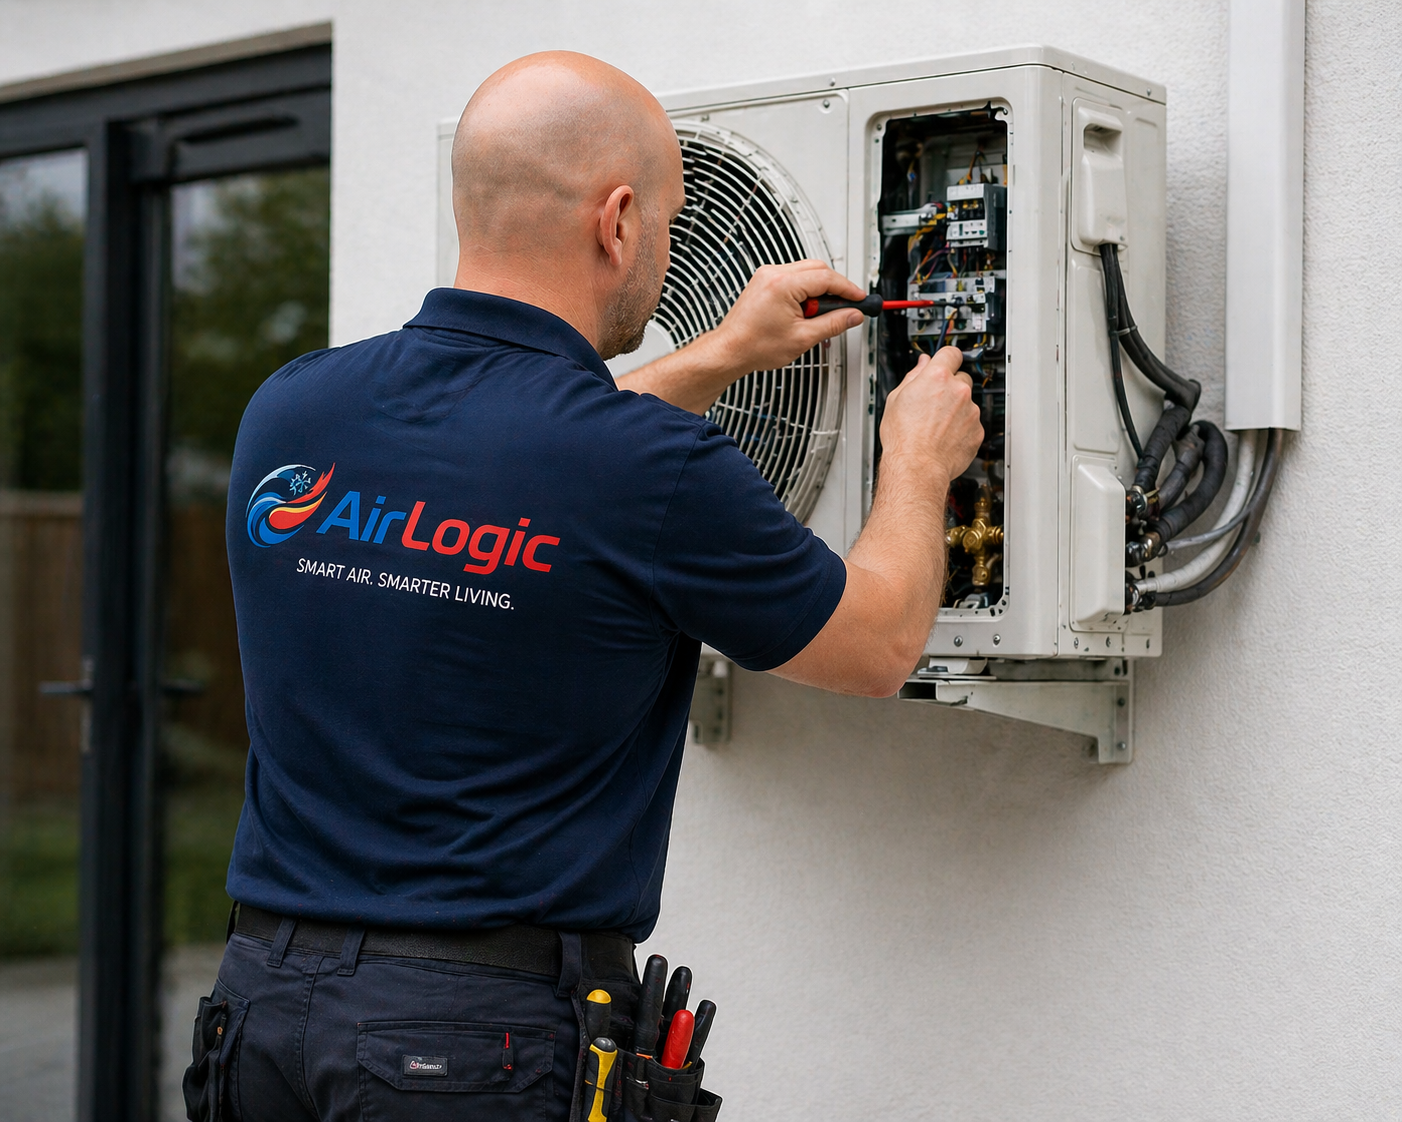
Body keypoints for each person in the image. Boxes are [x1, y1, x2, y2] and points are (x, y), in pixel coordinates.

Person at [187, 50, 981, 1122]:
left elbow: (530, 468)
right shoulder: (647, 473)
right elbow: (879, 642)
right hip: (467, 1050)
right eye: (665, 222)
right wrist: (920, 460)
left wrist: (719, 355)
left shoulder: (291, 412)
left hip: (261, 1016)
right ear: (617, 221)